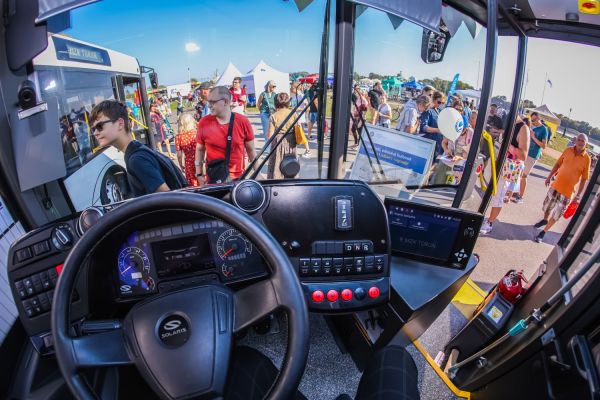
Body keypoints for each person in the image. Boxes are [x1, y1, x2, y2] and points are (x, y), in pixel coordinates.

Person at [90, 100, 180, 196]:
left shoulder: (136, 159)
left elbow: (167, 198)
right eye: (93, 129)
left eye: (100, 126)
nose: (95, 133)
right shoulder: (138, 149)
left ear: (120, 123)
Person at [534, 133, 591, 243]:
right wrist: (549, 177)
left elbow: (584, 179)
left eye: (582, 141)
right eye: (578, 139)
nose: (580, 142)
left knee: (557, 214)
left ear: (586, 144)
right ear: (575, 140)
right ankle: (545, 220)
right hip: (555, 186)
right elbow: (557, 164)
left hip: (568, 192)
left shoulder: (587, 159)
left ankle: (543, 232)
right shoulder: (568, 150)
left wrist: (578, 195)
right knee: (547, 207)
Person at [195, 86, 257, 184]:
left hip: (238, 179)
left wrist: (257, 172)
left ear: (225, 102)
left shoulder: (242, 121)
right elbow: (199, 149)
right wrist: (198, 174)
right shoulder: (204, 122)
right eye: (208, 101)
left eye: (212, 102)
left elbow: (251, 150)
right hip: (214, 179)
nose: (209, 105)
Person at [480, 115, 530, 234]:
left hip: (507, 168)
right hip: (498, 164)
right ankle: (486, 218)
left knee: (499, 196)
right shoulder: (510, 125)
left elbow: (523, 155)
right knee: (491, 193)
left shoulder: (523, 128)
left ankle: (490, 223)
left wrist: (509, 146)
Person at [516, 111, 549, 203]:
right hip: (527, 153)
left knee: (524, 176)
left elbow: (544, 146)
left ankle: (520, 197)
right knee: (519, 173)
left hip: (533, 155)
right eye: (532, 120)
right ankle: (516, 192)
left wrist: (533, 137)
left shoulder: (544, 129)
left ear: (539, 118)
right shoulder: (533, 128)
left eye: (534, 120)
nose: (533, 121)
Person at [266, 93, 298, 179]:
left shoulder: (273, 116)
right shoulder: (293, 114)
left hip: (278, 141)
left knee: (277, 162)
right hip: (291, 141)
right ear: (288, 102)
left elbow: (270, 135)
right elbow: (298, 129)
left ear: (276, 103)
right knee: (291, 162)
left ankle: (277, 179)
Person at [175, 112, 200, 186]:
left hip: (189, 162)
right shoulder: (197, 133)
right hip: (200, 160)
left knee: (192, 182)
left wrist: (180, 164)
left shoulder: (179, 137)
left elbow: (179, 155)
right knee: (202, 179)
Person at [420, 91, 446, 157]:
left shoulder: (440, 111)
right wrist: (438, 130)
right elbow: (424, 127)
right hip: (429, 144)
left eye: (442, 103)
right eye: (439, 102)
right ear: (434, 100)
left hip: (438, 144)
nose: (440, 104)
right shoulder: (428, 111)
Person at [290, 83, 311, 158]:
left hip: (300, 119)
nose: (290, 88)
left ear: (296, 88)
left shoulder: (301, 96)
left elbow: (308, 108)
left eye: (292, 87)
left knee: (302, 135)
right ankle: (294, 152)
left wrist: (297, 109)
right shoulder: (294, 97)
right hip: (295, 119)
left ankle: (308, 151)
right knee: (295, 136)